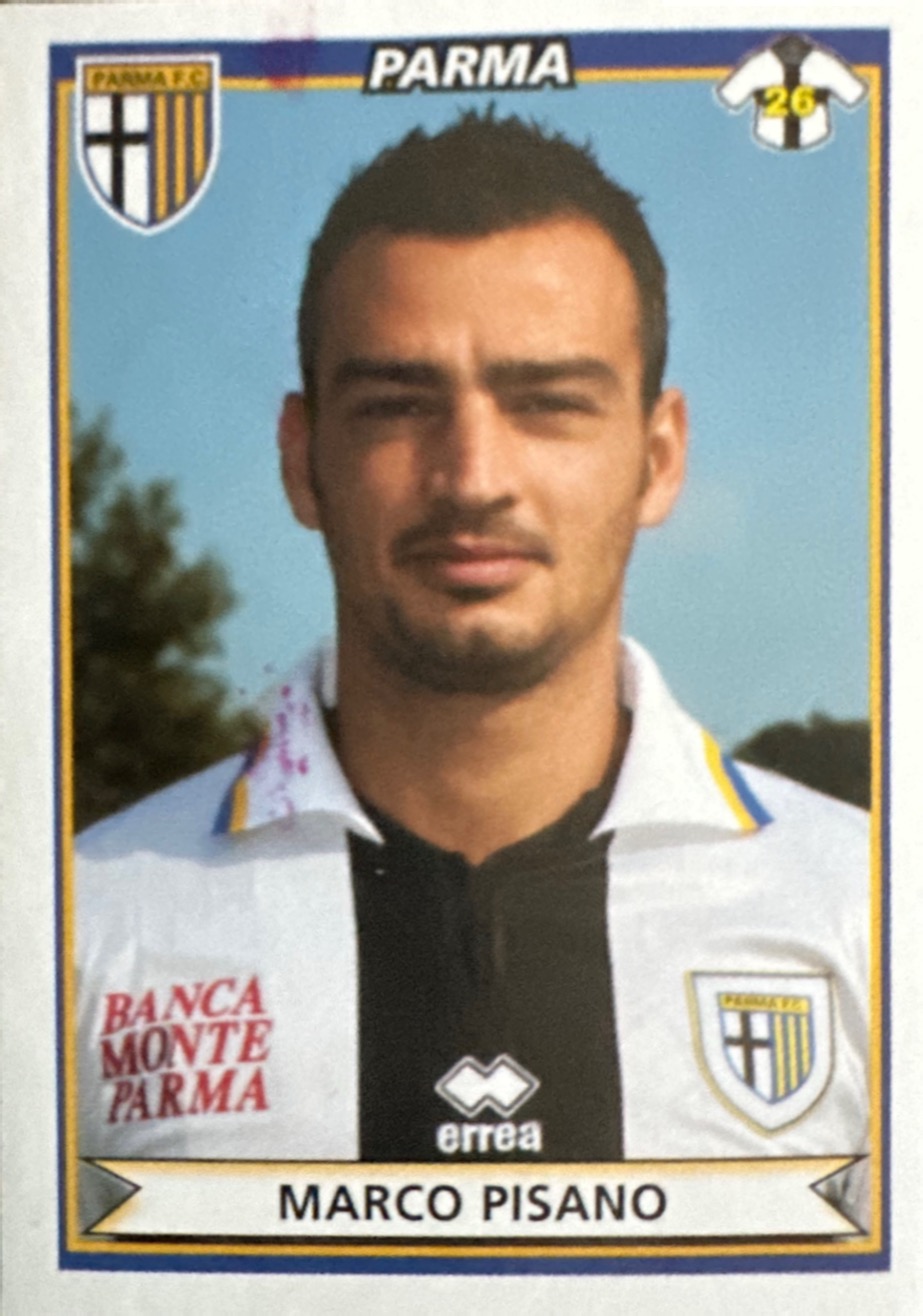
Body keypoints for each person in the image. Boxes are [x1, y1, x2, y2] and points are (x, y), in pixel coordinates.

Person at [76, 113, 869, 1226]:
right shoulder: (82, 925)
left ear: (656, 458)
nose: (471, 476)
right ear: (302, 460)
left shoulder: (866, 912)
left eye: (547, 403)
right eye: (397, 405)